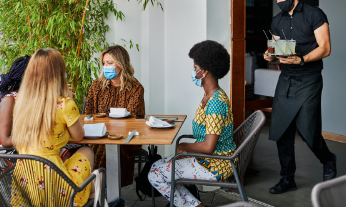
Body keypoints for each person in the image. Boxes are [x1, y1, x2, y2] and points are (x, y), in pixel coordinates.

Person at [262, 0, 337, 194]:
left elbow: (325, 48)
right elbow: (278, 51)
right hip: (286, 79)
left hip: (310, 78)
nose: (279, 2)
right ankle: (287, 179)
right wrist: (271, 56)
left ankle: (328, 159)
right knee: (282, 130)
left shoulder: (315, 15)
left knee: (308, 132)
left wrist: (302, 59)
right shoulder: (277, 21)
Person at [148, 40, 235, 207]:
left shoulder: (216, 103)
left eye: (195, 68)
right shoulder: (209, 96)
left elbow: (209, 146)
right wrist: (189, 149)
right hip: (209, 158)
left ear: (205, 72)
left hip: (215, 163)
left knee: (155, 173)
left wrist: (184, 147)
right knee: (159, 165)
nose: (193, 72)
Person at [7, 48, 97, 207]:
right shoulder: (64, 104)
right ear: (58, 74)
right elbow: (78, 136)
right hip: (55, 189)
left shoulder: (20, 100)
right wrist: (68, 99)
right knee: (87, 152)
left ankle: (90, 191)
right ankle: (89, 192)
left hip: (25, 186)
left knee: (76, 166)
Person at [83, 45, 145, 187]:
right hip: (98, 135)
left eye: (110, 63)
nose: (106, 67)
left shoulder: (135, 88)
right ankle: (99, 189)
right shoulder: (97, 86)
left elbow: (132, 120)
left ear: (121, 64)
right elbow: (88, 114)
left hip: (126, 139)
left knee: (106, 146)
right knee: (99, 145)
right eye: (104, 63)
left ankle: (94, 186)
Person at [0, 55, 30, 150]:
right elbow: (5, 141)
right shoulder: (10, 99)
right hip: (9, 154)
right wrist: (35, 138)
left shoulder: (32, 98)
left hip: (27, 148)